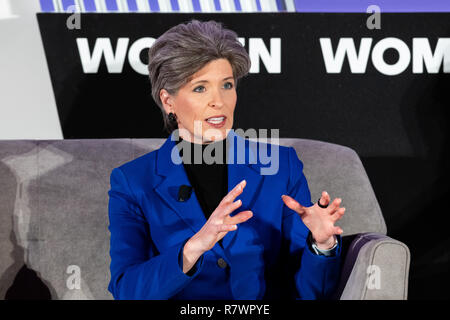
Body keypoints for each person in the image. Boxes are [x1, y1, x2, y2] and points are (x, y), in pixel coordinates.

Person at [107, 19, 345, 300]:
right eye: (200, 88)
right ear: (168, 101)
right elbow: (127, 290)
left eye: (227, 85)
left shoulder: (280, 166)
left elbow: (310, 293)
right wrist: (193, 248)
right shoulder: (133, 182)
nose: (218, 101)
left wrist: (322, 245)